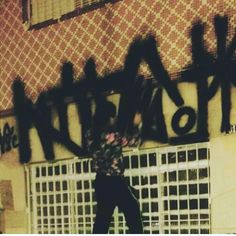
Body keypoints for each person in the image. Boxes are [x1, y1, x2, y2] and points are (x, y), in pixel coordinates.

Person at [85, 100, 143, 234]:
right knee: (133, 211)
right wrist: (136, 124)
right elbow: (134, 142)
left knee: (102, 219)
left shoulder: (90, 134)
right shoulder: (112, 136)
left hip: (101, 181)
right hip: (114, 181)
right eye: (113, 115)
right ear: (110, 117)